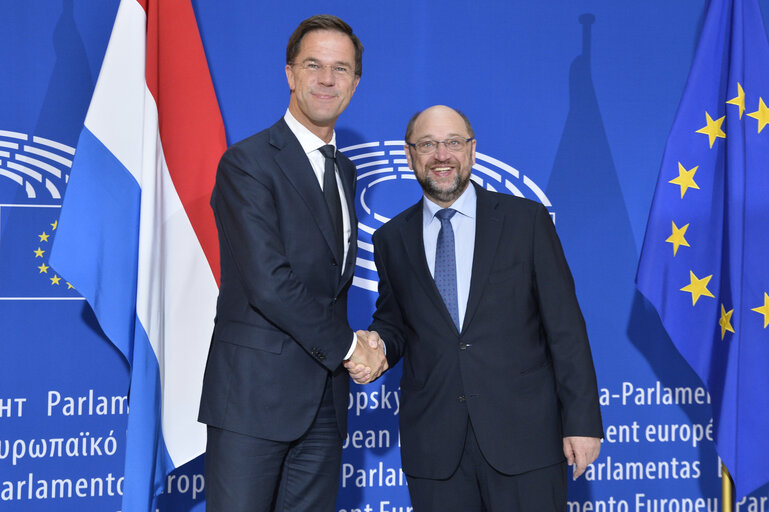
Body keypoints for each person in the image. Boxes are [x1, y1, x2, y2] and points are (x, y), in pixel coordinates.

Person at [347, 105, 603, 511]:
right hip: (436, 448)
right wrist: (377, 347)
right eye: (428, 144)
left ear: (472, 150)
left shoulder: (526, 221)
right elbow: (395, 322)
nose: (441, 155)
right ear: (410, 155)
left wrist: (583, 423)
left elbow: (566, 328)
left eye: (452, 142)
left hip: (525, 441)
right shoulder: (392, 240)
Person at [198, 15, 387, 512]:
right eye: (314, 65)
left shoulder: (343, 169)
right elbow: (270, 283)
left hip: (323, 403)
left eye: (341, 69)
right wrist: (351, 347)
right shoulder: (248, 163)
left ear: (355, 83)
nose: (327, 79)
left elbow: (326, 282)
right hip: (253, 401)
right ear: (290, 74)